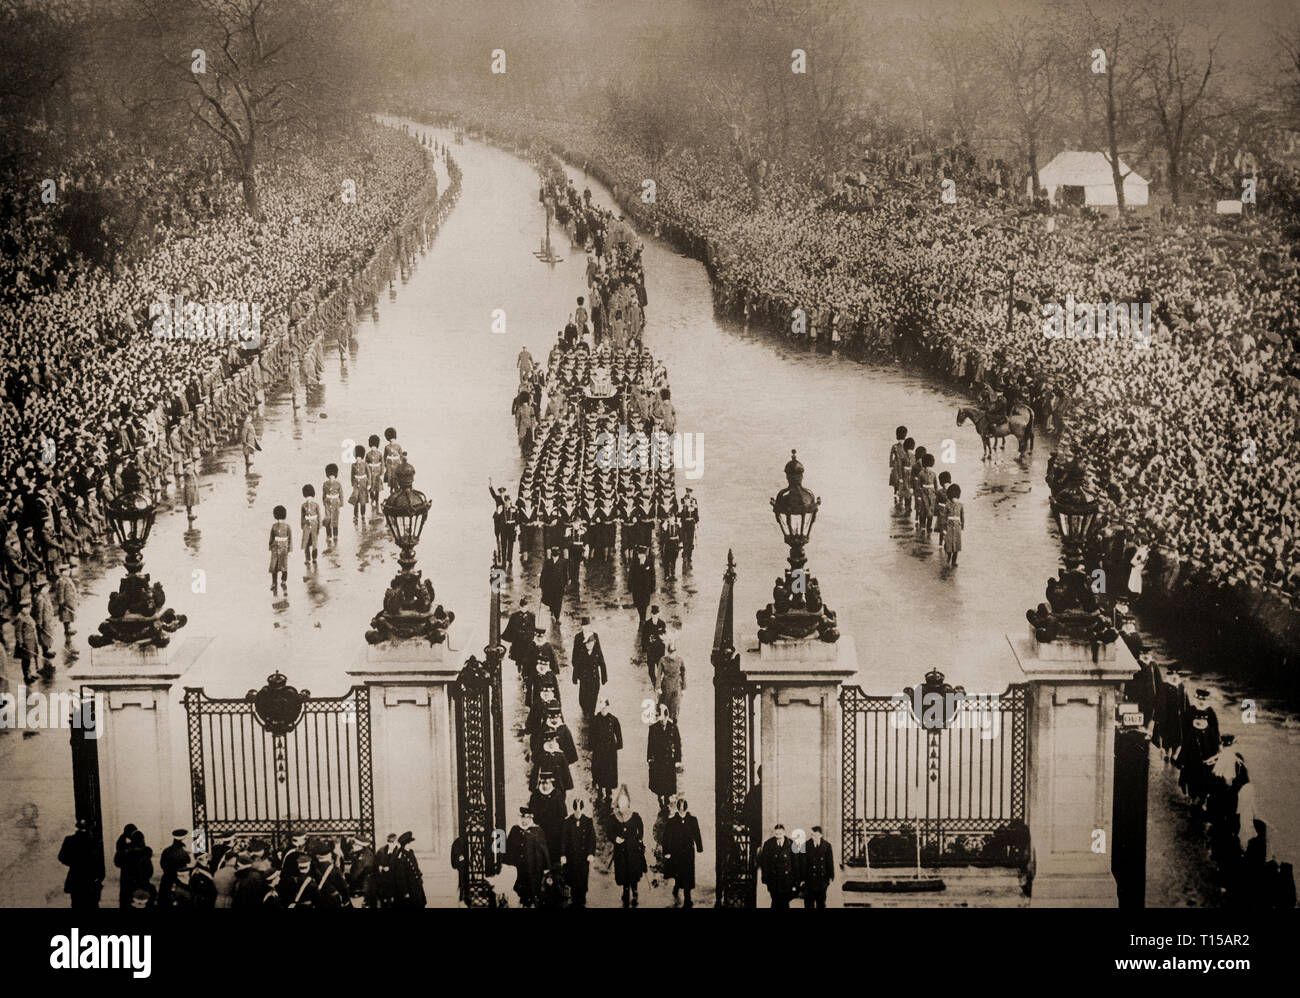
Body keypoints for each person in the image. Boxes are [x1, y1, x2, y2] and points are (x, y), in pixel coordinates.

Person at [505, 807, 550, 908]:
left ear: (531, 818)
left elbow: (544, 850)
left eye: (527, 818)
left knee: (533, 891)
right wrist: (507, 863)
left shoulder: (537, 831)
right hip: (518, 869)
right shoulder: (515, 830)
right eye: (522, 818)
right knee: (519, 892)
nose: (524, 821)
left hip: (533, 869)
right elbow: (509, 848)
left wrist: (546, 867)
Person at [663, 797, 703, 907]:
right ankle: (677, 886)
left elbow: (697, 834)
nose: (681, 810)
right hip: (676, 852)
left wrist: (699, 847)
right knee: (678, 872)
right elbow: (666, 837)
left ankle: (687, 897)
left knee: (688, 874)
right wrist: (667, 851)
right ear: (678, 808)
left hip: (688, 852)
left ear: (686, 808)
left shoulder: (692, 820)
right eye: (680, 808)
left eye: (683, 808)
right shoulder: (672, 822)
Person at [610, 787, 646, 908]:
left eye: (624, 804)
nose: (622, 807)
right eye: (621, 805)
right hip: (621, 851)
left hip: (633, 849)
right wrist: (615, 839)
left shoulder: (635, 816)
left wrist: (639, 839)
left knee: (634, 871)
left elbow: (640, 828)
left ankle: (634, 889)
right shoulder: (613, 818)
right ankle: (625, 891)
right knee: (623, 871)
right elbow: (609, 832)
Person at [58, 819, 103, 909]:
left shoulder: (70, 840)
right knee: (92, 904)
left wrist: (74, 863)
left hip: (75, 878)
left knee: (77, 903)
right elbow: (98, 861)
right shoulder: (94, 841)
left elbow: (62, 857)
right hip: (90, 878)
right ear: (90, 828)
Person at [561, 797, 596, 907]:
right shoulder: (567, 822)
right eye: (576, 810)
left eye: (580, 809)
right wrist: (562, 854)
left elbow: (592, 839)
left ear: (582, 809)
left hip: (583, 856)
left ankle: (582, 896)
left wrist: (591, 853)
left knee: (583, 876)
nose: (578, 812)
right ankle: (573, 896)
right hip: (571, 856)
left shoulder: (588, 821)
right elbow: (563, 840)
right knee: (571, 876)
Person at [571, 617, 607, 716]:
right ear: (582, 627)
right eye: (584, 626)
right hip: (583, 671)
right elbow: (575, 656)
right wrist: (576, 672)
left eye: (587, 626)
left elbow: (600, 654)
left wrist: (604, 677)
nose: (586, 628)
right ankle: (585, 709)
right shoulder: (578, 637)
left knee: (593, 696)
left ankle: (590, 714)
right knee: (583, 697)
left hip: (593, 672)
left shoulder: (595, 636)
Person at [647, 710, 682, 810]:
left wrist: (678, 760)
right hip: (658, 760)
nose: (660, 720)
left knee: (668, 781)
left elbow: (678, 745)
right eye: (658, 718)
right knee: (659, 781)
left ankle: (666, 798)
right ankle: (660, 797)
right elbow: (650, 745)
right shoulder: (653, 728)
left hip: (669, 760)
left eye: (661, 717)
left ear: (666, 716)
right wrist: (649, 758)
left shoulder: (673, 728)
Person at [529, 772, 567, 863]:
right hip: (540, 828)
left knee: (554, 851)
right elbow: (531, 812)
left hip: (555, 830)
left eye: (547, 783)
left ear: (551, 783)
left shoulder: (557, 795)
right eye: (543, 783)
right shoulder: (536, 795)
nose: (545, 785)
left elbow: (562, 814)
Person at [759, 824, 798, 908]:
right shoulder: (768, 844)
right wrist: (765, 878)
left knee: (785, 903)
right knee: (775, 902)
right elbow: (764, 863)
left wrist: (795, 881)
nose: (778, 836)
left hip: (787, 880)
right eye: (776, 834)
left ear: (784, 833)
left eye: (780, 834)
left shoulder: (791, 844)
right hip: (773, 880)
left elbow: (795, 863)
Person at [591, 699, 622, 802]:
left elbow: (618, 734)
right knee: (599, 769)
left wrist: (618, 746)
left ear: (608, 707)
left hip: (610, 751)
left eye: (605, 707)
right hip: (599, 750)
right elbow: (591, 736)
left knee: (609, 771)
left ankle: (608, 791)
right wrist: (592, 747)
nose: (603, 709)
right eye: (602, 707)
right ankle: (600, 789)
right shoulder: (595, 720)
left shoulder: (613, 720)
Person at [799, 825, 835, 908]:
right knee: (808, 903)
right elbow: (802, 864)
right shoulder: (805, 846)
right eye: (812, 835)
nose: (813, 837)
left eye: (815, 835)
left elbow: (829, 862)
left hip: (822, 880)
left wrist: (830, 876)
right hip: (809, 881)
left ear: (820, 835)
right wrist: (802, 879)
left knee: (821, 903)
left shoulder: (826, 846)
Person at [502, 596, 536, 675]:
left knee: (527, 655)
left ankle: (525, 667)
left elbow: (532, 627)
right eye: (522, 607)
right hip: (518, 640)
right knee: (519, 655)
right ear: (520, 607)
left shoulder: (531, 616)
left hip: (527, 640)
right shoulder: (515, 616)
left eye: (525, 607)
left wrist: (530, 635)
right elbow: (511, 627)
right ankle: (519, 665)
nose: (524, 608)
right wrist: (517, 633)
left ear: (527, 606)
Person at [157, 828, 191, 906]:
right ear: (183, 839)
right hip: (179, 882)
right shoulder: (183, 853)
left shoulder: (166, 850)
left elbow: (162, 864)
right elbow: (185, 867)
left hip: (166, 880)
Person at [394, 831, 426, 908]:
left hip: (415, 886)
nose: (411, 845)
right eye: (410, 843)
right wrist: (405, 891)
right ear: (405, 844)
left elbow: (415, 868)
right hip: (409, 888)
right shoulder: (401, 856)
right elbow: (400, 876)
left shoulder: (410, 853)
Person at [656, 638, 686, 722]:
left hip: (677, 686)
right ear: (667, 652)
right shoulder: (663, 660)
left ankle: (674, 723)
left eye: (673, 652)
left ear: (675, 652)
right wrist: (658, 687)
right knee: (665, 706)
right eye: (670, 652)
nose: (671, 654)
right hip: (666, 686)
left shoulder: (680, 660)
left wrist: (684, 688)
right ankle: (665, 722)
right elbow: (658, 674)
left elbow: (683, 673)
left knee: (675, 706)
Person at [640, 604, 667, 683]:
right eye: (653, 614)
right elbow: (644, 637)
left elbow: (664, 636)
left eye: (656, 614)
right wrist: (645, 648)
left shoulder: (662, 624)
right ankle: (654, 683)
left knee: (660, 669)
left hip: (659, 651)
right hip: (651, 651)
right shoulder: (647, 624)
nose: (655, 616)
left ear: (659, 614)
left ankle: (659, 683)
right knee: (651, 671)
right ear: (651, 614)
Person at [268, 504, 291, 594]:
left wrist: (270, 546)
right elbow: (272, 538)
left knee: (283, 566)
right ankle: (278, 582)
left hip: (281, 548)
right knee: (276, 566)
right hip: (279, 548)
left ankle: (280, 581)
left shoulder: (286, 527)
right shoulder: (276, 526)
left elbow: (289, 538)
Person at [540, 546, 566, 622]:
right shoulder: (548, 562)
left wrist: (565, 583)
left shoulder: (563, 562)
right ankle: (552, 612)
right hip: (550, 586)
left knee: (558, 601)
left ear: (559, 553)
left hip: (559, 586)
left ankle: (557, 617)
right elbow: (543, 574)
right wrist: (541, 584)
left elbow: (565, 574)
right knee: (552, 600)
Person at [53, 559, 78, 641]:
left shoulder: (67, 579)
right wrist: (61, 603)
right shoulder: (61, 581)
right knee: (65, 616)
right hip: (65, 602)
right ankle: (67, 629)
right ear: (62, 571)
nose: (68, 571)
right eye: (66, 570)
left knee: (69, 615)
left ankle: (69, 627)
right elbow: (60, 593)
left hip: (69, 601)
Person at [630, 545, 655, 622]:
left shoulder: (649, 562)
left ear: (644, 554)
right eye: (639, 554)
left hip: (645, 587)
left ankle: (642, 619)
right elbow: (631, 574)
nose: (639, 556)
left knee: (644, 604)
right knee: (638, 603)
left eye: (641, 554)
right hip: (636, 587)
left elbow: (652, 575)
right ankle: (641, 616)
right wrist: (630, 585)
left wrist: (652, 586)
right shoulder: (635, 562)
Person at [321, 463, 343, 545]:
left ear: (335, 476)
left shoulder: (338, 484)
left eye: (333, 477)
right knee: (327, 519)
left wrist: (341, 503)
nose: (331, 479)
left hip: (336, 504)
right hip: (327, 503)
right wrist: (324, 502)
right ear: (328, 476)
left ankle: (335, 535)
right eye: (330, 477)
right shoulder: (325, 484)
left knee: (335, 520)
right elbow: (323, 494)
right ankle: (328, 535)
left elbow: (341, 494)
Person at [300, 484, 321, 566]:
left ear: (312, 496)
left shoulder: (316, 505)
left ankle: (314, 558)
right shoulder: (303, 505)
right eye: (307, 497)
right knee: (306, 543)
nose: (309, 499)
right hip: (306, 526)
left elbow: (319, 515)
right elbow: (302, 516)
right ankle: (307, 559)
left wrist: (319, 525)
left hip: (314, 525)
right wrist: (302, 525)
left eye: (310, 497)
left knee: (314, 542)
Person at [943, 484, 964, 567]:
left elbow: (962, 516)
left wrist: (962, 526)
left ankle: (954, 561)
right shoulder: (947, 505)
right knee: (949, 544)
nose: (954, 499)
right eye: (953, 497)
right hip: (949, 526)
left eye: (956, 497)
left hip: (957, 526)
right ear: (950, 496)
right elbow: (944, 517)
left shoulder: (960, 505)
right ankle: (948, 559)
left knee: (957, 544)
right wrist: (944, 528)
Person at [348, 443, 369, 523]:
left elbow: (368, 474)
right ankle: (355, 515)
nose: (358, 459)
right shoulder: (353, 465)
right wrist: (352, 483)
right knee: (355, 499)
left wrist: (369, 483)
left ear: (362, 457)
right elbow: (352, 475)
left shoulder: (365, 465)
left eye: (359, 458)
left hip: (363, 484)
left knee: (363, 500)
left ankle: (363, 514)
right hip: (356, 484)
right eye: (357, 458)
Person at [679, 488, 699, 568]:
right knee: (685, 540)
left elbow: (696, 512)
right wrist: (684, 506)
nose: (689, 494)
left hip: (691, 523)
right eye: (688, 492)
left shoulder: (694, 501)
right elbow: (680, 512)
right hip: (684, 523)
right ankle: (685, 556)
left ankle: (689, 556)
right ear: (686, 492)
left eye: (691, 492)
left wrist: (697, 522)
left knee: (690, 541)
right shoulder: (682, 500)